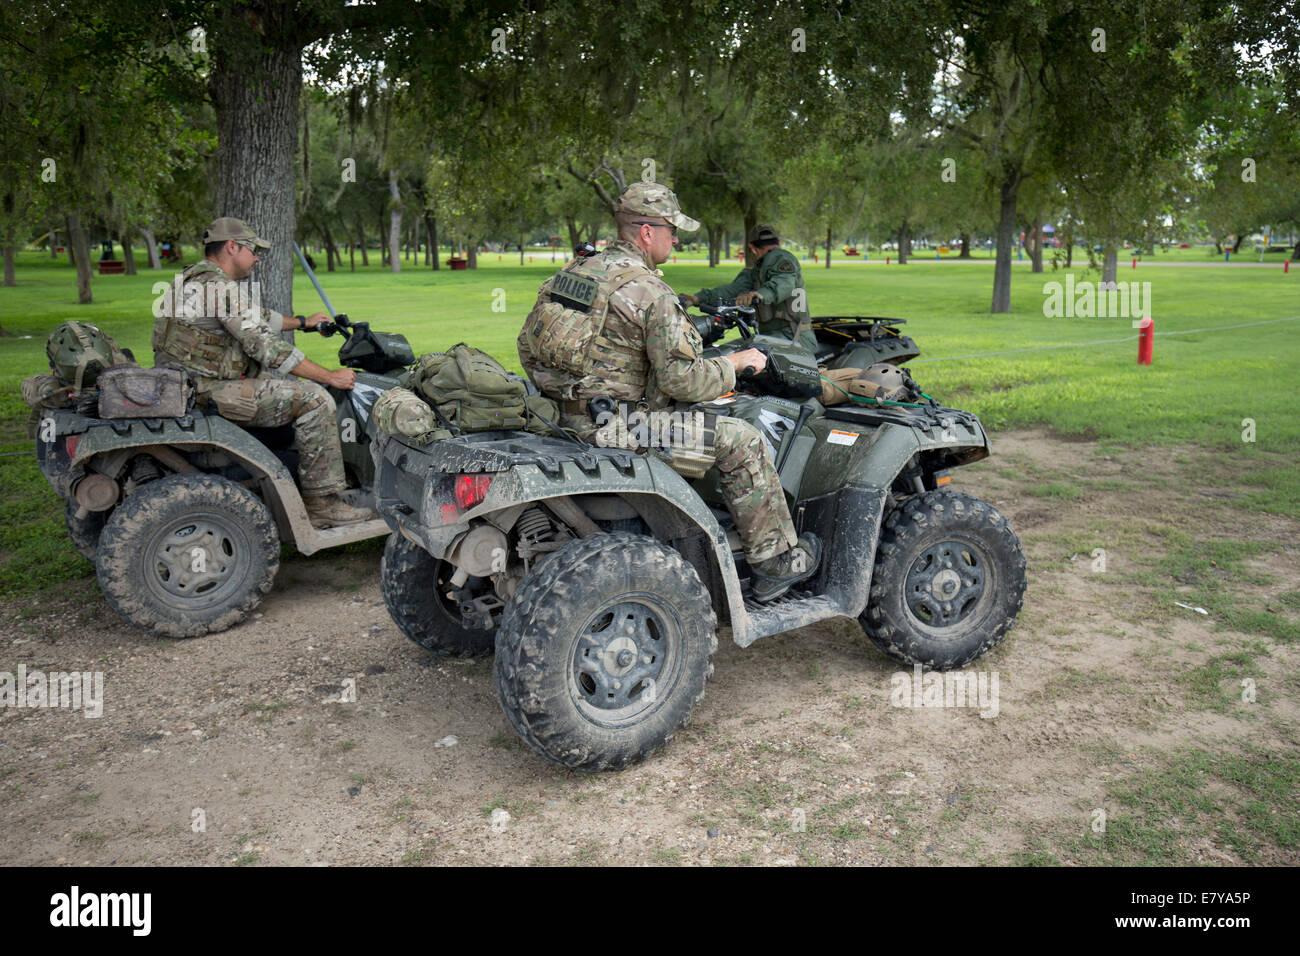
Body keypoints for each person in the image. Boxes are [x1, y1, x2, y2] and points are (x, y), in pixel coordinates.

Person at [517, 183, 820, 602]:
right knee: (741, 439)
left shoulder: (572, 275)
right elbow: (684, 381)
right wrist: (735, 364)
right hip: (623, 429)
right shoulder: (650, 292)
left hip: (562, 418)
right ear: (646, 232)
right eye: (671, 230)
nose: (675, 239)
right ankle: (774, 563)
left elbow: (528, 349)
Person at [152, 217, 374, 528]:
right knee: (314, 399)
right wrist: (329, 377)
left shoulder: (192, 280)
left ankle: (293, 471)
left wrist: (302, 322)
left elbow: (255, 317)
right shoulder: (217, 286)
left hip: (185, 386)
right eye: (253, 250)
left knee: (282, 387)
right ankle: (321, 503)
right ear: (232, 247)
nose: (256, 258)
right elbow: (266, 349)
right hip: (206, 391)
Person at [682, 224, 816, 351]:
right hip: (776, 337)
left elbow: (784, 283)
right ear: (778, 242)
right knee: (730, 352)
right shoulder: (757, 270)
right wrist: (696, 298)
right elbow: (732, 290)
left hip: (794, 338)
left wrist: (759, 295)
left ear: (752, 247)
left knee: (736, 355)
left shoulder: (781, 257)